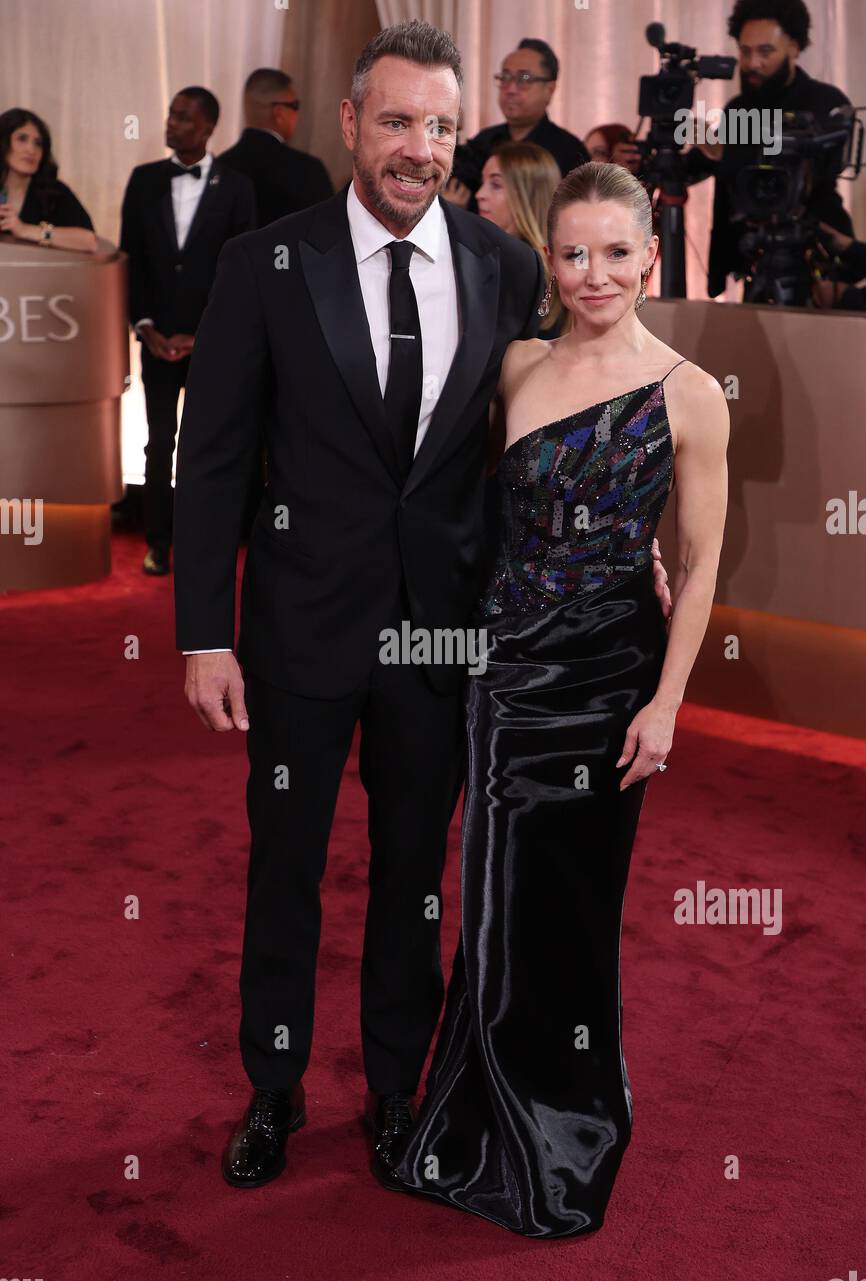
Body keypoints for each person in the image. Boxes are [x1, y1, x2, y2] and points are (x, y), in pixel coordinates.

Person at [171, 20, 673, 1192]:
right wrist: (203, 631)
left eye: (439, 126)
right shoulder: (268, 263)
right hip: (298, 627)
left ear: (462, 135)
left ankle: (396, 1089)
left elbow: (543, 435)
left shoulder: (502, 265)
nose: (417, 147)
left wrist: (623, 544)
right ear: (350, 122)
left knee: (414, 873)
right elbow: (212, 462)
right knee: (285, 864)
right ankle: (275, 1086)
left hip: (442, 632)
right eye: (394, 120)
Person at [382, 160, 729, 1238]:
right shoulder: (515, 365)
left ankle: (568, 1126)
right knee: (491, 900)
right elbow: (460, 500)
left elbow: (703, 558)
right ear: (553, 258)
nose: (592, 274)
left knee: (576, 911)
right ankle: (476, 1117)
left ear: (649, 259)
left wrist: (666, 702)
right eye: (572, 253)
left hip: (612, 677)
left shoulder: (688, 391)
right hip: (508, 667)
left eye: (614, 253)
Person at [119, 87, 256, 578]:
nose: (171, 123)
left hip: (211, 345)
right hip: (156, 342)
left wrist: (206, 336)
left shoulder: (237, 187)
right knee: (158, 444)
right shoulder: (144, 180)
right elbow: (128, 261)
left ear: (208, 127)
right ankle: (157, 543)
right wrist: (145, 325)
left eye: (183, 117)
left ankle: (204, 546)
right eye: (171, 114)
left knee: (207, 449)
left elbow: (241, 274)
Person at [682, 0, 854, 299]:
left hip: (816, 262)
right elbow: (705, 162)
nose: (753, 64)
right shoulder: (738, 109)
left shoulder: (825, 101)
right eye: (745, 52)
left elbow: (818, 167)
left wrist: (728, 153)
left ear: (795, 47)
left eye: (765, 52)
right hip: (753, 262)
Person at [447, 38, 588, 212]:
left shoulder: (569, 151)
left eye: (524, 78)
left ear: (550, 89)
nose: (511, 88)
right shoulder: (483, 142)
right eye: (505, 77)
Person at [219, 68, 333, 228]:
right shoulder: (307, 170)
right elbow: (326, 233)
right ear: (278, 113)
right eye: (295, 105)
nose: (297, 114)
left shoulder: (219, 168)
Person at [475, 141, 565, 338]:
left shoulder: (524, 267)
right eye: (483, 183)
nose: (479, 194)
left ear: (528, 195)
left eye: (496, 185)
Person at [0, 108, 96, 252]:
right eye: (22, 139)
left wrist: (26, 230)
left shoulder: (53, 192)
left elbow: (89, 241)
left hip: (41, 273)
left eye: (38, 143)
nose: (31, 150)